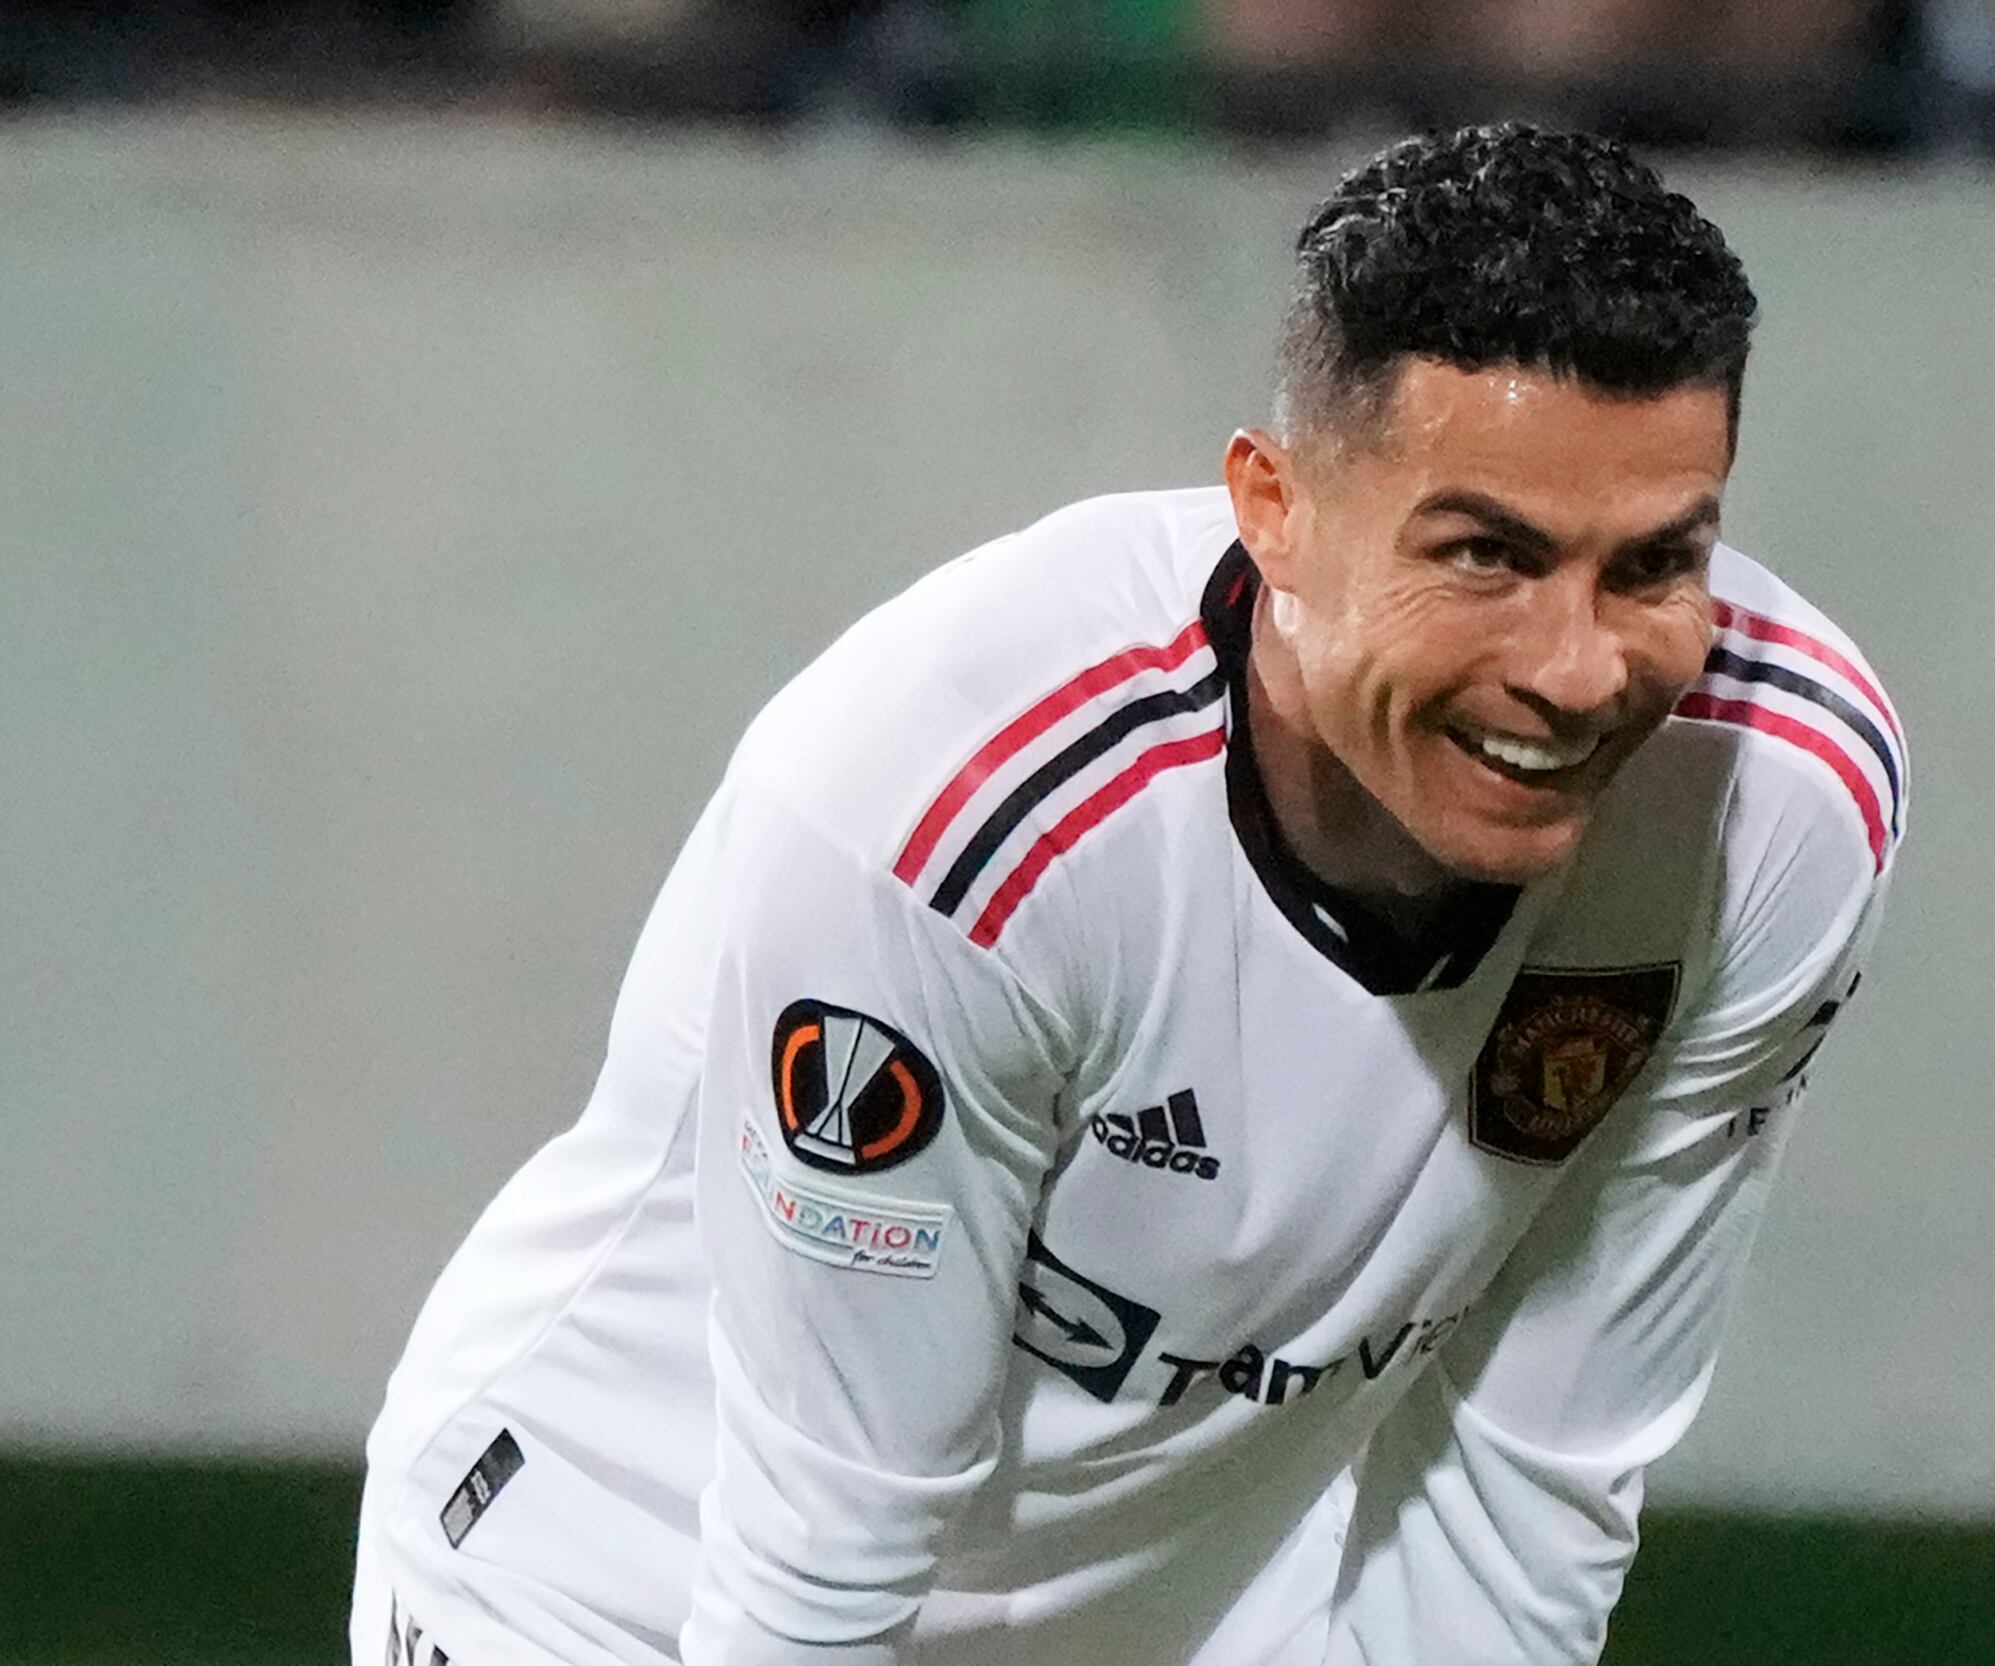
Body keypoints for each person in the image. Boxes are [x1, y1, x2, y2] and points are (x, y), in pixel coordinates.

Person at [351, 122, 1905, 1666]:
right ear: (1274, 507)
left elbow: (1528, 1494)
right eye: (1486, 556)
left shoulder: (1775, 804)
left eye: (1652, 567)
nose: (1575, 672)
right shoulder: (959, 824)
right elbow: (815, 1576)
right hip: (611, 1586)